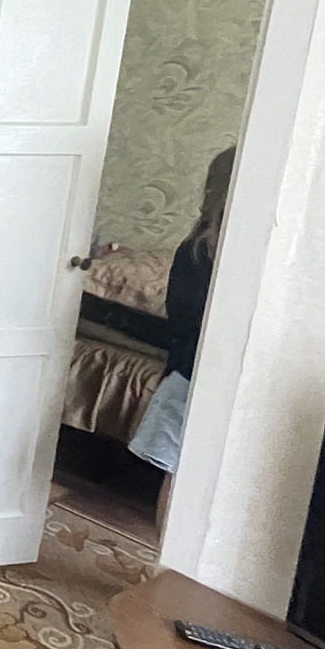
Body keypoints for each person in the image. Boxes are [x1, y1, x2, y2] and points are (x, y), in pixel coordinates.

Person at [129, 147, 235, 477]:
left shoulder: (216, 249)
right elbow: (186, 322)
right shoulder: (199, 250)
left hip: (202, 372)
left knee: (189, 476)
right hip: (192, 374)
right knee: (181, 476)